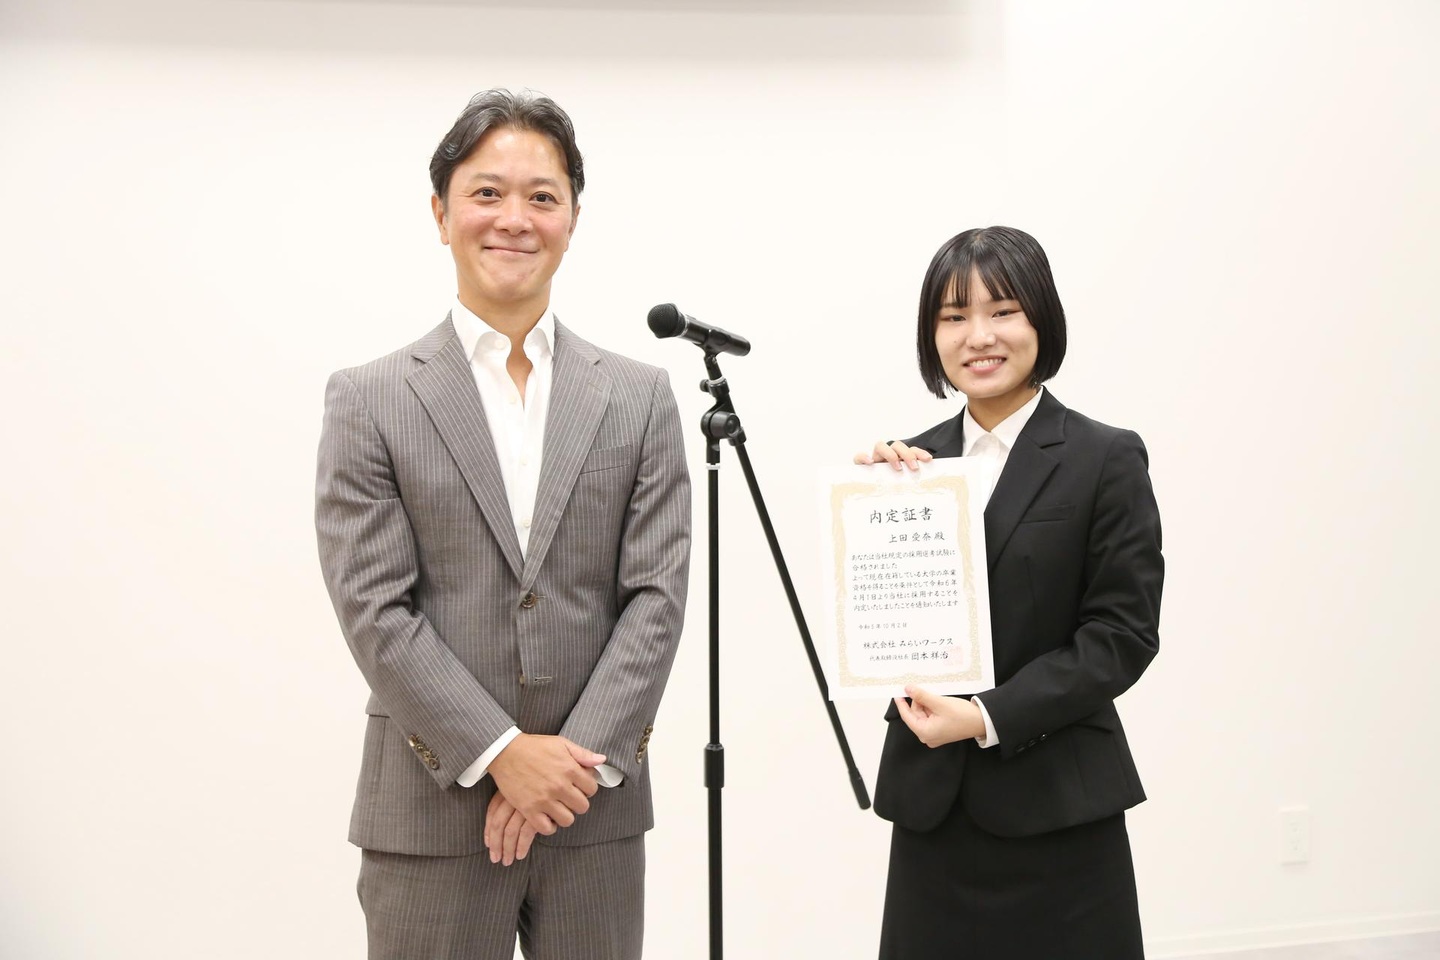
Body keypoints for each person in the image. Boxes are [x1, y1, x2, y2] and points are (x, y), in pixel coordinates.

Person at [314, 89, 690, 960]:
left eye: (541, 196)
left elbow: (657, 597)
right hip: (431, 812)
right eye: (487, 193)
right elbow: (375, 608)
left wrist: (570, 764)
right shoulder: (369, 398)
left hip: (593, 811)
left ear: (572, 219)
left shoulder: (638, 397)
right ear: (440, 214)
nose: (514, 218)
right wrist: (500, 753)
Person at [855, 226, 1163, 959]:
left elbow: (1120, 636)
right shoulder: (909, 466)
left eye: (1002, 311)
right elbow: (885, 629)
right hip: (935, 808)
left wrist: (985, 717)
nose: (979, 336)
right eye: (954, 317)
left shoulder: (1105, 456)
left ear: (1041, 320)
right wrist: (867, 510)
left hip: (1059, 807)